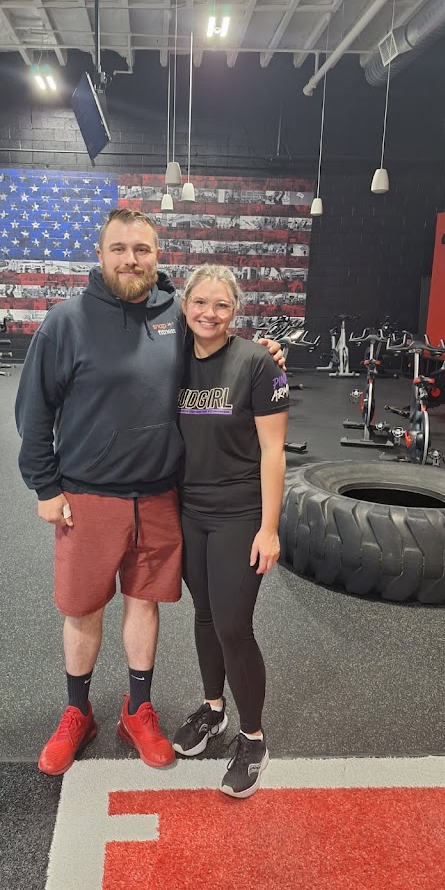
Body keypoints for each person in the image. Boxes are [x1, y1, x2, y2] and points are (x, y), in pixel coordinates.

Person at [15, 209, 284, 777]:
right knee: (83, 608)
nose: (130, 259)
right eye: (119, 249)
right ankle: (77, 712)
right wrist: (45, 485)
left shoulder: (174, 316)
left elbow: (218, 348)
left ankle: (138, 710)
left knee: (144, 603)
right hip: (87, 495)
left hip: (161, 495)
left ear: (158, 256)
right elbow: (33, 410)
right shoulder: (66, 322)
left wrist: (264, 357)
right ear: (100, 254)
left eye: (142, 249)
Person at [171, 264, 290, 798]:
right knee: (204, 614)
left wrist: (270, 528)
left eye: (221, 305)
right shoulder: (174, 360)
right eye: (200, 302)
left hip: (239, 514)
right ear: (185, 305)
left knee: (233, 625)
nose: (209, 313)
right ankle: (213, 709)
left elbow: (273, 451)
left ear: (235, 310)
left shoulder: (258, 363)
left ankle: (254, 738)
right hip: (188, 511)